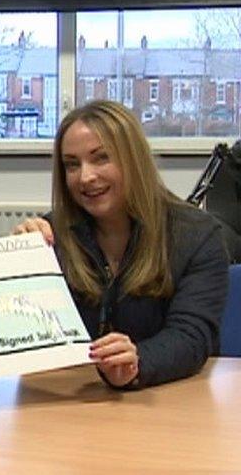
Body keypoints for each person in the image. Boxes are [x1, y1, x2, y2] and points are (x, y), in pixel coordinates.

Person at [12, 100, 228, 389]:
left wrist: (138, 361)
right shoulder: (52, 237)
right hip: (76, 402)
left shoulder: (197, 235)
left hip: (164, 402)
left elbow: (191, 336)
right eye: (72, 165)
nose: (85, 177)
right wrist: (20, 267)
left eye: (101, 158)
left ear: (133, 160)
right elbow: (28, 336)